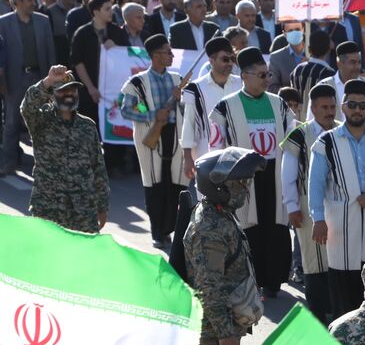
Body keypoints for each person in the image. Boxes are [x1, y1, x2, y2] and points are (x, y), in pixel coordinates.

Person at [308, 78, 365, 317]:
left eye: (362, 105)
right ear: (343, 106)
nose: (357, 110)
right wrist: (318, 219)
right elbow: (315, 185)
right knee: (343, 295)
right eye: (352, 105)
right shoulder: (326, 142)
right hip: (340, 229)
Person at [209, 47, 292, 296]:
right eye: (262, 75)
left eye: (268, 75)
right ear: (245, 76)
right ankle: (252, 280)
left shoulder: (279, 104)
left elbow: (292, 136)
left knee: (276, 227)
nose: (267, 80)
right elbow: (216, 146)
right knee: (250, 228)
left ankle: (275, 281)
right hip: (243, 176)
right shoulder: (225, 107)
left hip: (274, 174)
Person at [185, 148, 266, 345]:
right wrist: (225, 335)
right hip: (212, 335)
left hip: (224, 326)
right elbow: (209, 288)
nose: (245, 189)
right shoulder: (210, 229)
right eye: (239, 183)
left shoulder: (220, 214)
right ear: (218, 186)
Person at [20, 66, 109, 233]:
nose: (69, 94)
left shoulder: (88, 126)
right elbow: (27, 107)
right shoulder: (40, 121)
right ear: (51, 95)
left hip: (83, 210)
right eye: (62, 91)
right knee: (49, 250)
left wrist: (102, 206)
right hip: (49, 208)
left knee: (84, 249)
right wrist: (48, 81)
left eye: (72, 90)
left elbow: (98, 168)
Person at [120, 34, 185, 250]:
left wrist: (180, 99)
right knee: (154, 184)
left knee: (174, 184)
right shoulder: (137, 83)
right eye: (168, 52)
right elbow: (127, 110)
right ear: (156, 55)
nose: (171, 55)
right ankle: (158, 232)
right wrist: (152, 115)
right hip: (151, 137)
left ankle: (169, 228)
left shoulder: (178, 80)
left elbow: (189, 109)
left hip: (175, 135)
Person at [281, 83, 336, 323]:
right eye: (324, 107)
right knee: (314, 261)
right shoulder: (298, 135)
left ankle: (336, 310)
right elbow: (287, 175)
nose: (329, 112)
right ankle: (318, 313)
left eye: (332, 107)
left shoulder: (342, 131)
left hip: (338, 206)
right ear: (313, 109)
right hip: (306, 206)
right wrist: (292, 207)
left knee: (336, 258)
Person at [0, 0, 55, 175]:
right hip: (14, 78)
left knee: (42, 121)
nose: (34, 3)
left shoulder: (43, 21)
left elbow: (50, 51)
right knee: (12, 121)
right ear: (17, 2)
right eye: (29, 0)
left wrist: (52, 79)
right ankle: (9, 161)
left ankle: (44, 163)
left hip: (39, 77)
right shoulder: (3, 23)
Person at [179, 36, 241, 185]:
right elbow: (188, 124)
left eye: (232, 59)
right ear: (211, 61)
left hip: (238, 155)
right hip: (206, 157)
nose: (230, 63)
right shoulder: (195, 88)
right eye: (225, 59)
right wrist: (187, 157)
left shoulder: (241, 84)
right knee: (207, 198)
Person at [314, 41, 365, 131]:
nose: (357, 67)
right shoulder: (323, 87)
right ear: (339, 63)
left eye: (359, 62)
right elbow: (312, 123)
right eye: (352, 62)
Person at [267, 22, 307, 93]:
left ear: (303, 30)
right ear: (284, 34)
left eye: (297, 29)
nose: (294, 33)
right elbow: (272, 88)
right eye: (290, 30)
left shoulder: (314, 54)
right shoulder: (276, 58)